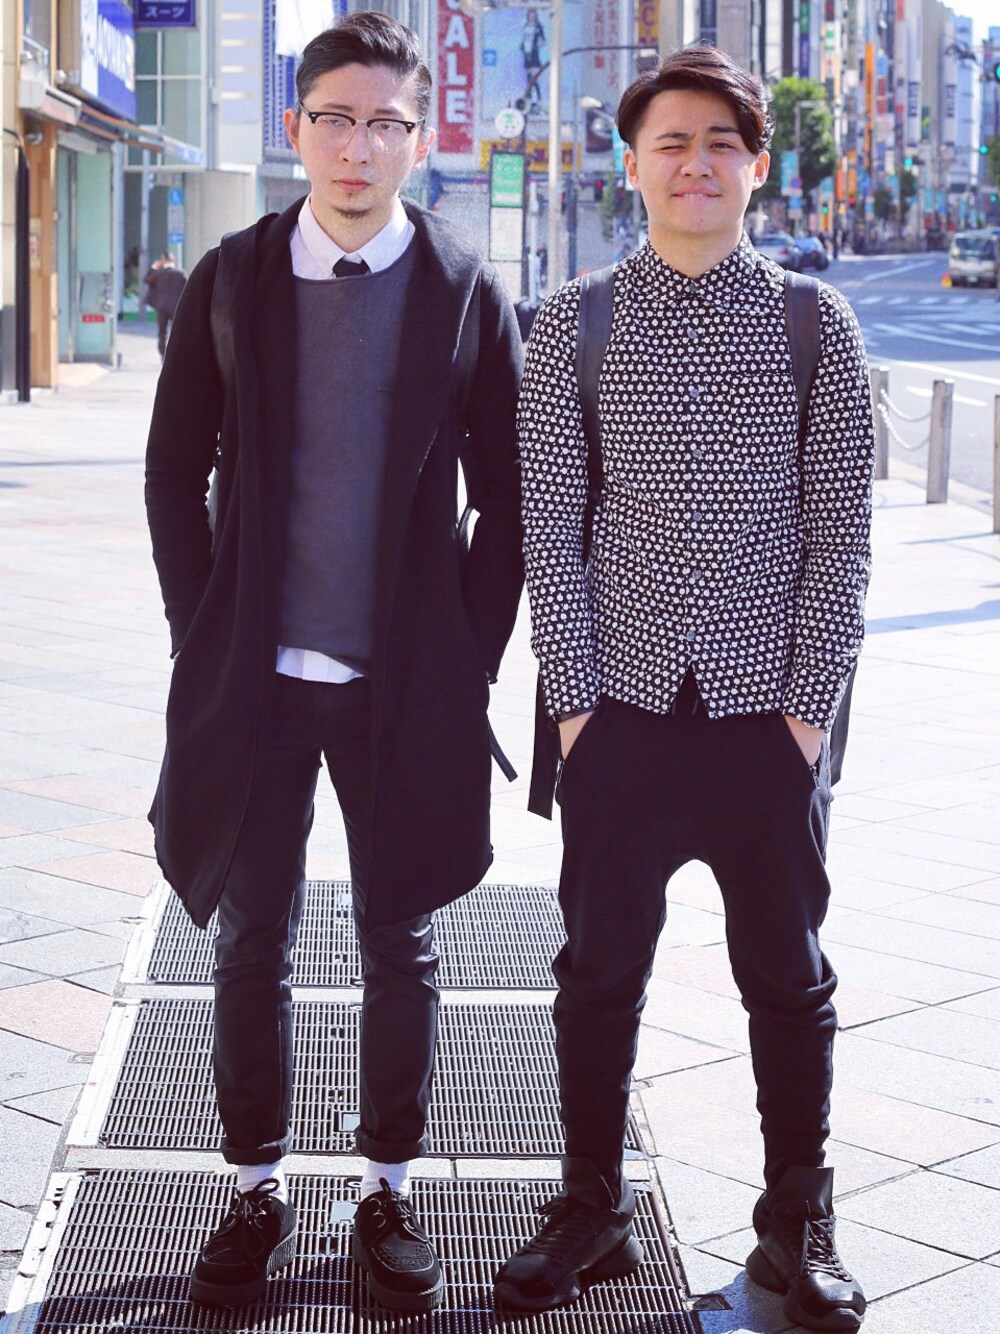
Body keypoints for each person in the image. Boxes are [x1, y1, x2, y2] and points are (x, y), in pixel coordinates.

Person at [145, 12, 523, 1315]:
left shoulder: (462, 290)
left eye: (384, 124)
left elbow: (508, 500)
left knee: (398, 935)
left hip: (401, 682)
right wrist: (202, 628)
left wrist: (467, 656)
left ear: (418, 138)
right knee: (248, 933)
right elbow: (172, 469)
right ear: (295, 126)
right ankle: (253, 1183)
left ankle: (386, 1189)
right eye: (335, 119)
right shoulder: (234, 278)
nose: (358, 147)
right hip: (255, 676)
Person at [497, 45, 874, 1332]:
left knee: (788, 977)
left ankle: (796, 1220)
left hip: (769, 718)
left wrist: (807, 712)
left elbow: (840, 534)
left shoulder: (814, 323)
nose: (694, 162)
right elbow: (552, 524)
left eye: (721, 142)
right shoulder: (577, 320)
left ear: (757, 166)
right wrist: (574, 704)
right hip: (622, 712)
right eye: (670, 141)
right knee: (597, 971)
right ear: (633, 163)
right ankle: (588, 1203)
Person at [142, 252, 187, 358]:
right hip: (176, 307)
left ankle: (163, 355)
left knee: (162, 332)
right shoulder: (180, 273)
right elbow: (188, 289)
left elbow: (146, 279)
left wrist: (154, 267)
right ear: (173, 261)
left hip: (161, 307)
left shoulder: (158, 274)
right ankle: (177, 354)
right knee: (178, 332)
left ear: (162, 261)